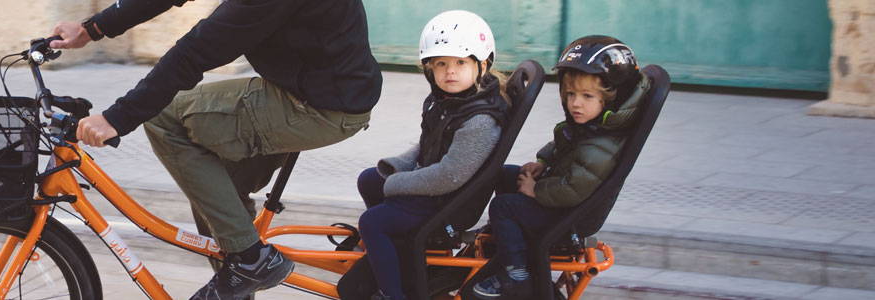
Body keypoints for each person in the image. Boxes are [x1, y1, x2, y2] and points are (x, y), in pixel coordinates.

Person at [49, 0, 381, 298]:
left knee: (166, 119)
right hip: (313, 88)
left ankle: (250, 260)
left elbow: (194, 52)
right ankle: (243, 268)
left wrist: (117, 118)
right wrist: (92, 28)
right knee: (215, 191)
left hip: (318, 106)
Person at [469, 35, 646, 300]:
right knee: (506, 175)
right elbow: (560, 146)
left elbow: (574, 188)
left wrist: (535, 191)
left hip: (568, 215)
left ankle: (515, 275)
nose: (575, 103)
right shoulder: (592, 127)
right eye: (570, 94)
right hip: (562, 199)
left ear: (612, 98)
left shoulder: (600, 145)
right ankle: (507, 238)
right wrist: (542, 164)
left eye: (587, 96)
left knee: (503, 207)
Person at [350, 10, 508, 300]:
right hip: (438, 191)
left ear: (481, 65)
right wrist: (397, 166)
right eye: (441, 64)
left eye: (461, 62)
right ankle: (399, 247)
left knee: (373, 222)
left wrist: (398, 184)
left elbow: (449, 175)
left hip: (448, 202)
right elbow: (428, 144)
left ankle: (392, 292)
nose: (450, 71)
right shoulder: (447, 101)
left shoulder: (480, 121)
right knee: (369, 180)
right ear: (429, 69)